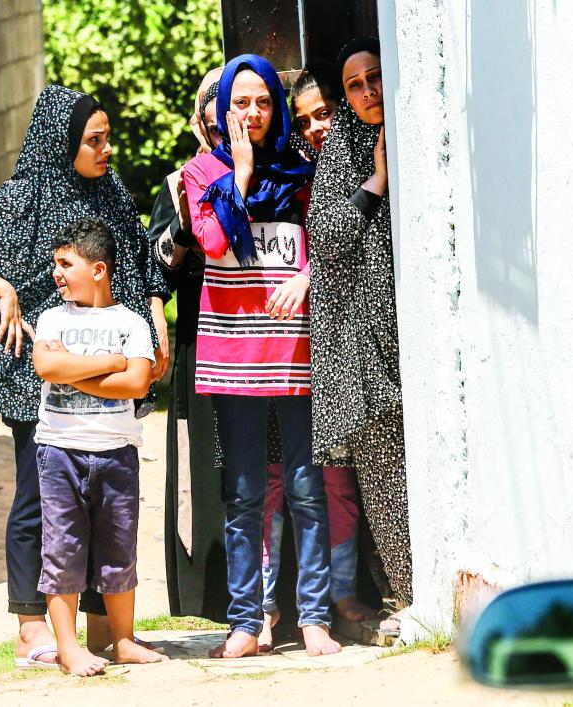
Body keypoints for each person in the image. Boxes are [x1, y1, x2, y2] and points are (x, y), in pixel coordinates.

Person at [0, 85, 169, 668]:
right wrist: (4, 288)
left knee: (102, 499)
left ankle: (106, 628)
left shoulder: (108, 190)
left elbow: (138, 257)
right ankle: (31, 625)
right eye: (95, 140)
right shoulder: (24, 197)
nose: (107, 149)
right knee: (41, 501)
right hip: (42, 377)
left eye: (107, 137)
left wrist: (156, 320)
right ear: (64, 143)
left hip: (108, 370)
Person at [181, 53, 341, 659]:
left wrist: (308, 276)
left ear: (276, 106)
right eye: (239, 101)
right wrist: (241, 172)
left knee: (305, 486)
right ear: (222, 110)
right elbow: (214, 240)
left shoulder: (301, 173)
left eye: (262, 101)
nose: (251, 112)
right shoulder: (202, 173)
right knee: (244, 491)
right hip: (234, 352)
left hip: (294, 347)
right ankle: (247, 621)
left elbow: (319, 244)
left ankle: (315, 620)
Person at [258, 62, 377, 653]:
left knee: (336, 479)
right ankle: (268, 608)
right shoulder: (286, 175)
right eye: (303, 120)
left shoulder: (354, 163)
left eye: (322, 114)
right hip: (281, 349)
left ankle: (344, 595)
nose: (314, 129)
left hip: (334, 346)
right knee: (279, 480)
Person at [306, 38, 414, 626]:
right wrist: (376, 180)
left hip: (412, 330)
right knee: (380, 468)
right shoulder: (343, 149)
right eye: (355, 84)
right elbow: (328, 238)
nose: (369, 91)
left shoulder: (417, 125)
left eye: (376, 77)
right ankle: (404, 593)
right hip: (362, 341)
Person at [32, 218, 166, 675]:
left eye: (65, 264)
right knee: (62, 550)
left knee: (118, 550)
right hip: (59, 453)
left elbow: (135, 381)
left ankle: (123, 640)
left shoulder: (131, 321)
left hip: (116, 454)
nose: (57, 273)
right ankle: (69, 648)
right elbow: (47, 366)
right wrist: (109, 360)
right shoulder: (51, 318)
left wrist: (79, 369)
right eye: (56, 264)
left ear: (98, 269)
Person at [153, 69, 234, 625]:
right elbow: (158, 264)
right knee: (205, 465)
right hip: (200, 340)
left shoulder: (269, 172)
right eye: (210, 113)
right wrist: (185, 227)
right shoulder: (181, 181)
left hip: (258, 336)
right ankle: (210, 593)